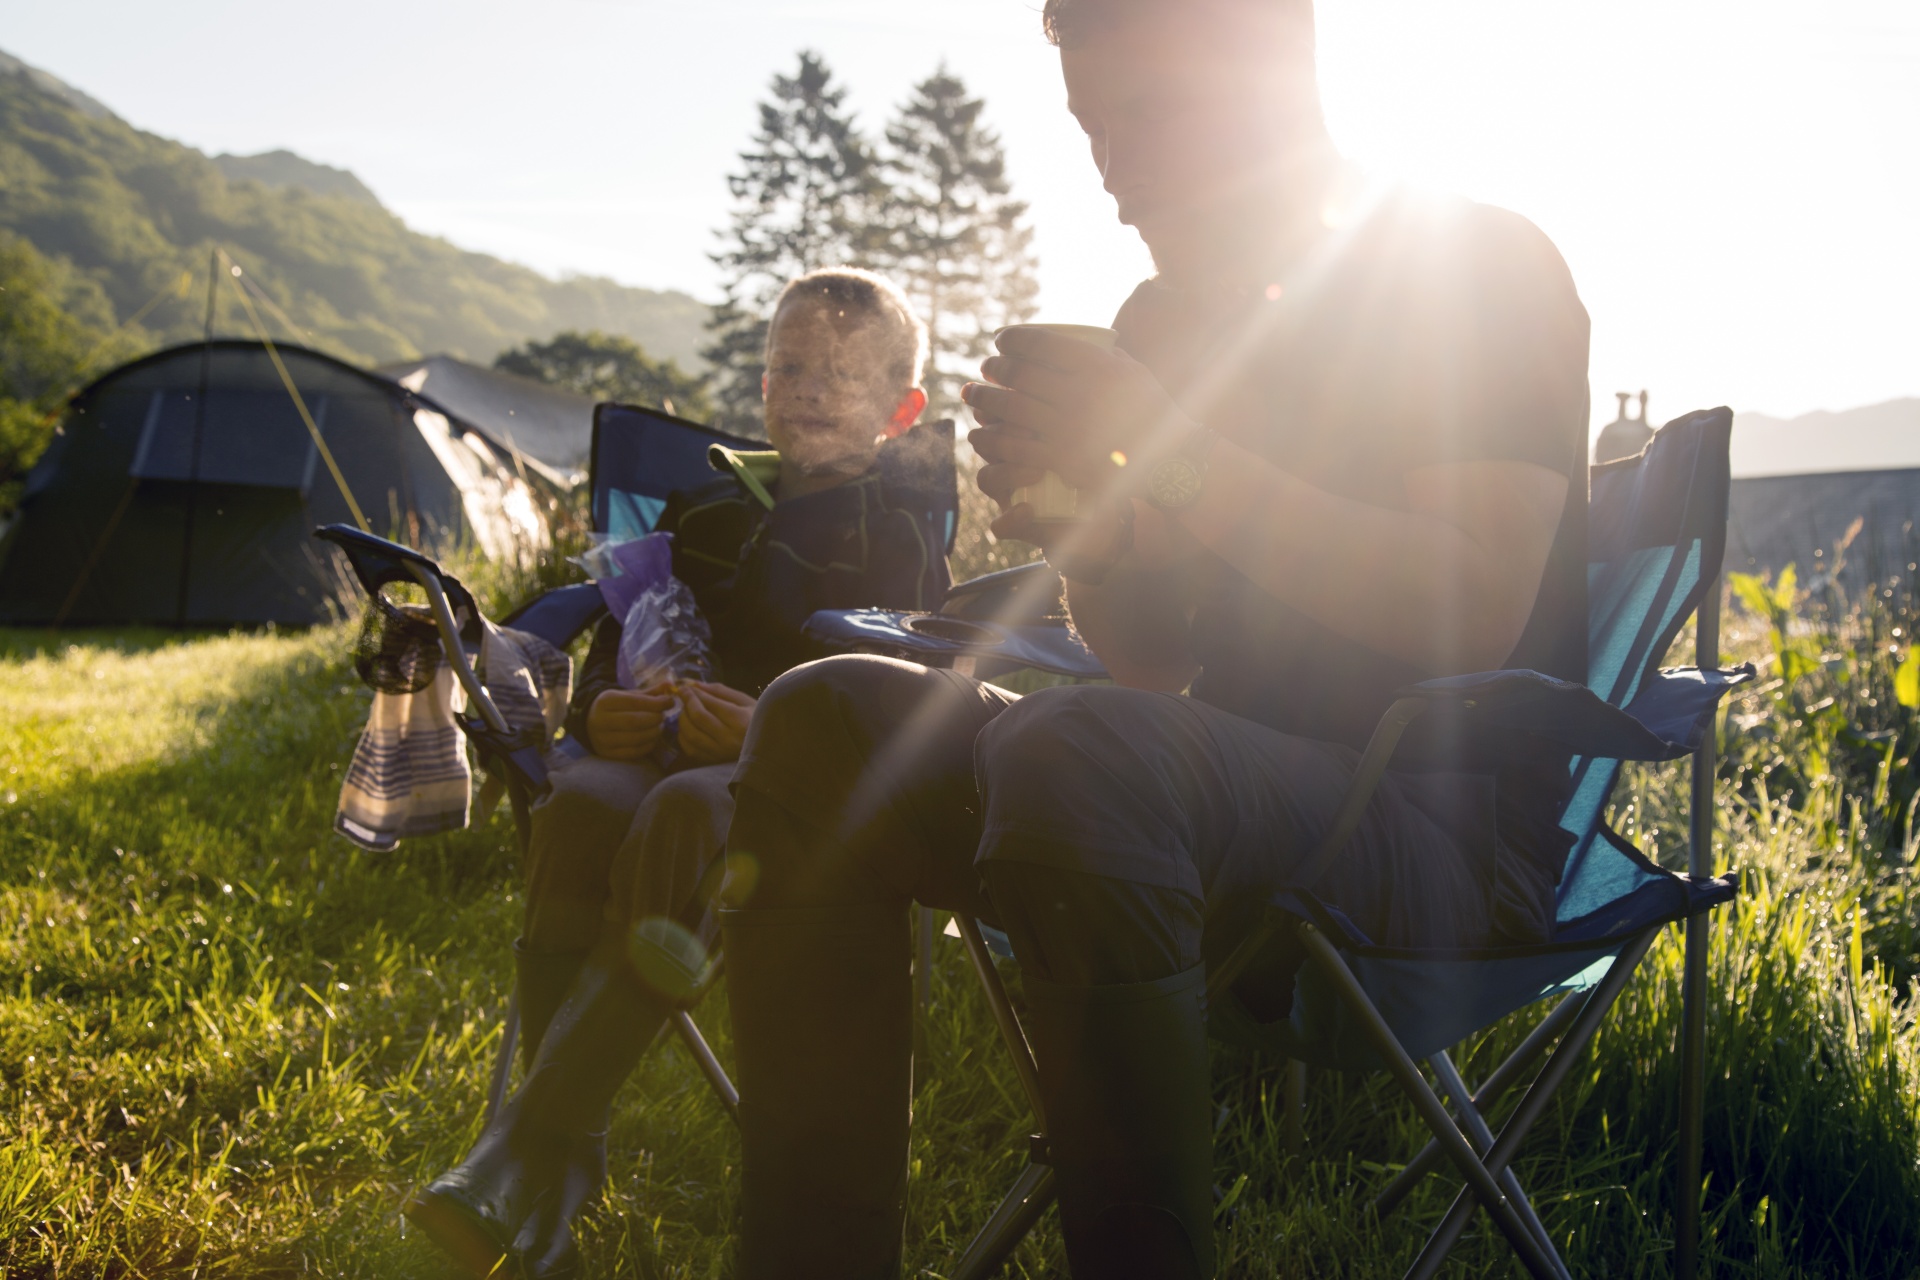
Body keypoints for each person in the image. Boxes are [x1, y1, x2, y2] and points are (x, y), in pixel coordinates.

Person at [715, 1, 1592, 1276]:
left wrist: (1174, 461)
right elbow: (1146, 669)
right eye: (1090, 124)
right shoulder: (1166, 320)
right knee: (823, 716)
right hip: (1202, 792)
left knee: (1085, 752)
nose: (1113, 162)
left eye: (1150, 113)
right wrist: (1084, 525)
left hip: (1437, 831)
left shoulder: (1471, 265)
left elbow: (1470, 597)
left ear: (1276, 70)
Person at [404, 267, 951, 1278]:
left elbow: (901, 689)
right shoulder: (702, 503)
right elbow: (627, 623)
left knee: (687, 815)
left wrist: (767, 731)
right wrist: (603, 704)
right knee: (579, 802)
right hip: (655, 752)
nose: (814, 387)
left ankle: (524, 1145)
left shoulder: (902, 528)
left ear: (900, 407)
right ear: (762, 385)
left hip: (798, 791)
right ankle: (564, 1184)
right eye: (792, 365)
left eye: (844, 371)